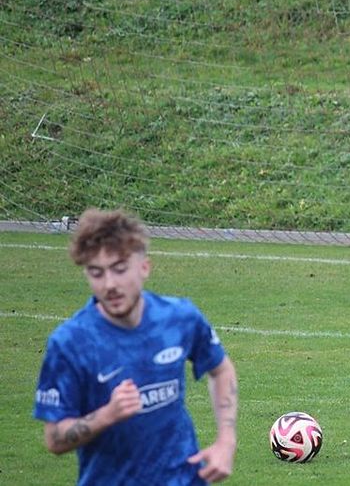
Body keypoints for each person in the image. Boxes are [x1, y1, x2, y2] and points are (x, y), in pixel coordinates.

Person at [33, 208, 238, 485]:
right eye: (96, 273)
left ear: (144, 267)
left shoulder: (179, 317)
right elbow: (54, 438)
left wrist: (226, 441)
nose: (109, 285)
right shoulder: (71, 342)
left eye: (119, 269)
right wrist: (107, 415)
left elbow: (221, 369)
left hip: (183, 478)